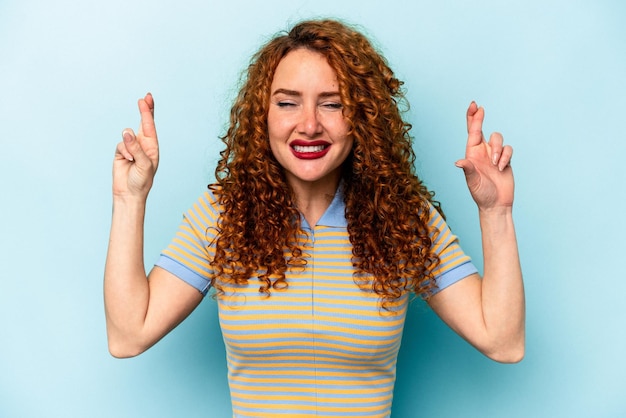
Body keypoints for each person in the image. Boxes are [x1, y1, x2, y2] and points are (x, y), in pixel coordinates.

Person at [105, 19, 524, 418]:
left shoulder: (400, 217)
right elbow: (129, 335)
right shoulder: (224, 215)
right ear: (262, 116)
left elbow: (502, 341)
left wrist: (496, 212)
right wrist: (129, 198)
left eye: (333, 104)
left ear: (362, 117)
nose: (309, 125)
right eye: (287, 103)